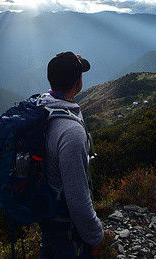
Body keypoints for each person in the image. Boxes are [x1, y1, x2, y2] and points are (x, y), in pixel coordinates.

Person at [36, 51, 105, 258]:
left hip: (47, 214)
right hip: (65, 223)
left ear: (51, 79)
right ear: (78, 81)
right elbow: (77, 198)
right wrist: (96, 235)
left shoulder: (42, 104)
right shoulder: (70, 131)